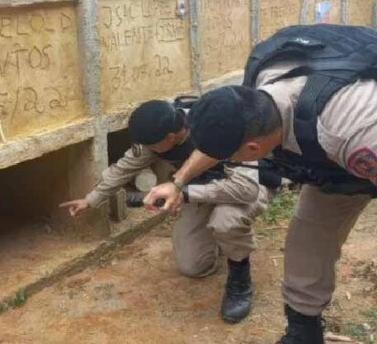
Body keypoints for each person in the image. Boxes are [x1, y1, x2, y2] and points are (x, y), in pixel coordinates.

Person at [142, 24, 377, 344]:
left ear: (252, 150)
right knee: (308, 236)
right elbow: (223, 137)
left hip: (360, 133)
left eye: (230, 156)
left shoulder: (351, 133)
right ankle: (303, 331)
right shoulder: (259, 90)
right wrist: (179, 181)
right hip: (335, 157)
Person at [60, 99, 278, 324]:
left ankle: (240, 276)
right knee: (192, 266)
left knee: (225, 222)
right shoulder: (160, 135)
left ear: (171, 137)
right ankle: (219, 241)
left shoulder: (220, 128)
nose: (147, 149)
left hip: (249, 187)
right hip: (201, 189)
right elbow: (124, 167)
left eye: (151, 145)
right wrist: (91, 199)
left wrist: (183, 194)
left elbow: (246, 191)